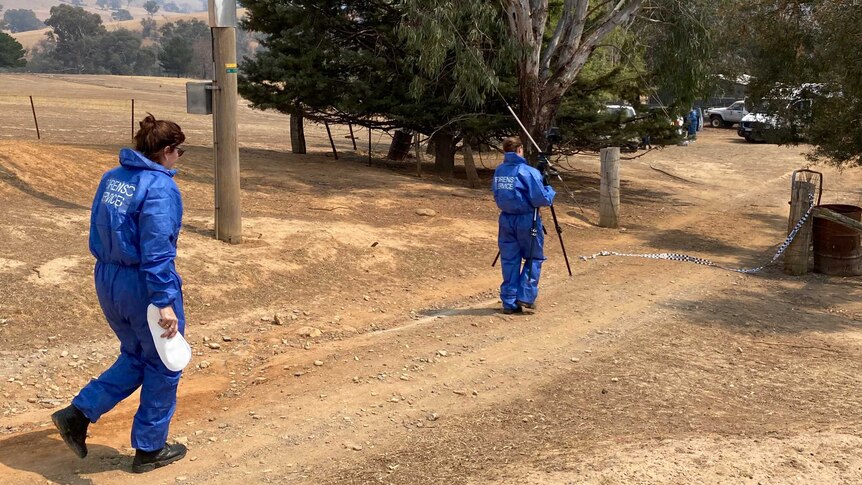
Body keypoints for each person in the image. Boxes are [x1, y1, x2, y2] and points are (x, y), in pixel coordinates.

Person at [51, 114, 188, 473]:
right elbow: (158, 248)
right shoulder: (159, 187)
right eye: (180, 151)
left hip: (109, 278)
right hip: (143, 284)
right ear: (167, 151)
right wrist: (163, 301)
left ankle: (77, 414)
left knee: (137, 355)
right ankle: (149, 449)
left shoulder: (112, 178)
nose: (179, 158)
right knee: (165, 363)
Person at [492, 137, 556, 314]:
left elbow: (496, 194)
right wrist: (549, 188)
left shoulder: (499, 171)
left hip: (506, 219)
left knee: (509, 259)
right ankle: (526, 296)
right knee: (534, 257)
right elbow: (541, 199)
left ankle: (509, 301)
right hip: (527, 219)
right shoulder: (528, 172)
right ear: (520, 149)